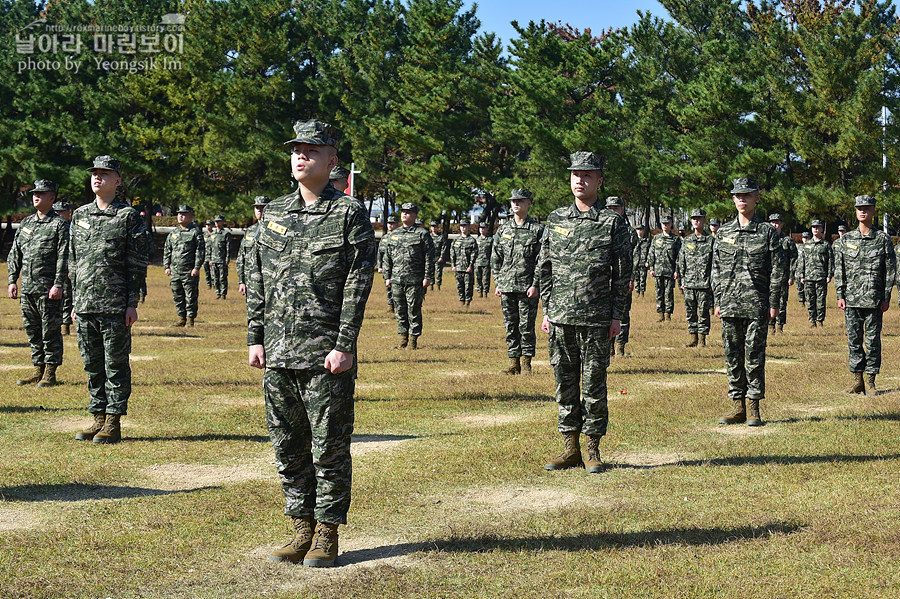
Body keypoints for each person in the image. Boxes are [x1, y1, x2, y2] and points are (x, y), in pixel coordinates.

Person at [246, 119, 375, 568]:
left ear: (331, 160)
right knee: (288, 443)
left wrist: (345, 344)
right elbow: (258, 279)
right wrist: (255, 338)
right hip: (279, 351)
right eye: (297, 149)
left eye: (312, 150)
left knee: (329, 446)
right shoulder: (276, 213)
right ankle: (300, 526)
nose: (301, 156)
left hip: (326, 354)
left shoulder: (348, 214)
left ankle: (327, 533)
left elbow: (358, 283)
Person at [539, 151, 631, 474]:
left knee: (593, 384)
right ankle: (570, 447)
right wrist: (548, 310)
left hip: (596, 320)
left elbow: (622, 274)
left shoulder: (612, 223)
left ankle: (592, 448)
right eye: (576, 174)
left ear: (599, 181)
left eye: (588, 175)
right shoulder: (555, 219)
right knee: (564, 384)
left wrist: (617, 316)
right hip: (561, 318)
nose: (581, 179)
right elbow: (545, 268)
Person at [70, 156, 148, 444]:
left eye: (105, 174)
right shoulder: (79, 215)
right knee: (92, 364)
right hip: (86, 304)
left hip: (115, 305)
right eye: (94, 173)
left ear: (118, 181)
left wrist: (132, 302)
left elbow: (137, 263)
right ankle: (98, 417)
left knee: (115, 364)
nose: (97, 178)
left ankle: (113, 421)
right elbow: (73, 261)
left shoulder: (127, 217)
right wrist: (74, 303)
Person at [713, 178, 783, 427]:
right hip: (730, 303)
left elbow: (777, 270)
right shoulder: (724, 232)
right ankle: (737, 405)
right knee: (732, 355)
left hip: (756, 304)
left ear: (757, 198)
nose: (741, 199)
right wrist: (718, 300)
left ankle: (754, 406)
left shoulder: (766, 232)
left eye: (747, 195)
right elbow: (717, 269)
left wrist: (774, 303)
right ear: (733, 199)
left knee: (754, 355)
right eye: (737, 195)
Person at [7, 179, 69, 387]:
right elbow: (15, 253)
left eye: (41, 194)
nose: (36, 196)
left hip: (48, 289)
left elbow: (63, 256)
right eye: (34, 193)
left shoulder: (59, 225)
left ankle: (50, 372)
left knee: (50, 330)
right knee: (32, 330)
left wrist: (58, 283)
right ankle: (38, 369)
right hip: (28, 289)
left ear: (52, 198)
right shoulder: (26, 224)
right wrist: (12, 280)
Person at [834, 195, 895, 395]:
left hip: (874, 300)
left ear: (874, 211)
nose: (862, 211)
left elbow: (890, 270)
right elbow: (840, 269)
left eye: (867, 208)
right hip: (851, 299)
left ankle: (871, 380)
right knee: (853, 340)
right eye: (859, 208)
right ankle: (857, 379)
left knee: (872, 341)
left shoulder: (883, 239)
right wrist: (840, 294)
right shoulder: (847, 239)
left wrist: (886, 296)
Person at [492, 188, 543, 375]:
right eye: (513, 201)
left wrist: (535, 284)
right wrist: (498, 281)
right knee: (510, 325)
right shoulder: (503, 230)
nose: (516, 204)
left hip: (526, 287)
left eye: (520, 201)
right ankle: (514, 363)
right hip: (506, 286)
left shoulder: (537, 230)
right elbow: (495, 257)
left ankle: (527, 364)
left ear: (528, 203)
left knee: (526, 326)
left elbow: (541, 260)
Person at [382, 203, 434, 350]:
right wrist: (387, 276)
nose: (405, 214)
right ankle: (402, 339)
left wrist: (428, 276)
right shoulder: (394, 234)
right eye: (403, 212)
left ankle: (413, 341)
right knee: (400, 309)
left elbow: (429, 257)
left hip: (415, 279)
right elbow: (387, 257)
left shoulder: (422, 234)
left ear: (415, 215)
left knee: (414, 309)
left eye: (409, 212)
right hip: (397, 279)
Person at [677, 208, 714, 347]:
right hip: (689, 283)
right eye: (694, 218)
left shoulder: (710, 240)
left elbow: (714, 263)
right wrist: (682, 281)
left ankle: (702, 340)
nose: (696, 221)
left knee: (704, 312)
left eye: (699, 218)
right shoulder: (687, 240)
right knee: (690, 312)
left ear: (704, 220)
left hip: (704, 284)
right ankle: (693, 338)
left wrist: (712, 282)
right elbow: (682, 262)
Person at [162, 205, 205, 327]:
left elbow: (200, 251)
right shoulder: (174, 232)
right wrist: (166, 266)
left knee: (190, 296)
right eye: (179, 214)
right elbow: (167, 250)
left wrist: (196, 267)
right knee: (177, 295)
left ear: (191, 217)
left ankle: (190, 319)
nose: (180, 216)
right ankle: (181, 318)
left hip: (189, 271)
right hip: (175, 271)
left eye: (184, 214)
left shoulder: (195, 232)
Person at [605, 197, 637, 357]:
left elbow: (633, 258)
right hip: (603, 281)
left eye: (616, 208)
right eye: (609, 208)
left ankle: (620, 347)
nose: (612, 211)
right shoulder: (600, 230)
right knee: (604, 313)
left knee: (622, 313)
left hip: (622, 280)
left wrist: (630, 279)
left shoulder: (629, 232)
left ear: (622, 210)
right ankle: (608, 347)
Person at [798, 219, 832, 327]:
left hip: (821, 276)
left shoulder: (826, 245)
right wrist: (801, 275)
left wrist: (829, 275)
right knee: (810, 299)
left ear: (822, 229)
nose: (815, 229)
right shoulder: (806, 245)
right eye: (813, 227)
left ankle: (820, 320)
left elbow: (830, 261)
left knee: (821, 300)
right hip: (808, 277)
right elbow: (802, 261)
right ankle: (812, 320)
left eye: (818, 227)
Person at [647, 214, 681, 321]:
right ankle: (660, 314)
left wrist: (677, 271)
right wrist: (651, 268)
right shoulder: (656, 238)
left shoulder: (676, 239)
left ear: (671, 224)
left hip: (670, 271)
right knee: (659, 293)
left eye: (667, 223)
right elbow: (651, 253)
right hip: (658, 270)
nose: (665, 225)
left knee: (668, 293)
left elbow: (679, 257)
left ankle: (668, 315)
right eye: (663, 224)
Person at [768, 214, 797, 333]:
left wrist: (791, 276)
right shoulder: (766, 240)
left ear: (781, 224)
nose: (775, 225)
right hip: (769, 277)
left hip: (783, 277)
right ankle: (770, 325)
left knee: (781, 301)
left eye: (777, 222)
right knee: (769, 301)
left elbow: (794, 259)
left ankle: (780, 326)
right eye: (773, 222)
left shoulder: (787, 240)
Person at [236, 196, 269, 299]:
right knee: (253, 314)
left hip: (270, 283)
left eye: (262, 207)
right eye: (257, 207)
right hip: (252, 282)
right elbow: (241, 257)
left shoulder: (275, 230)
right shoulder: (249, 231)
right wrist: (242, 281)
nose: (259, 210)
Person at [52, 199, 74, 335]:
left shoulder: (73, 228)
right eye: (56, 211)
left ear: (68, 213)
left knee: (67, 297)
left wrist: (71, 268)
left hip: (67, 267)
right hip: (53, 267)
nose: (59, 214)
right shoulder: (52, 227)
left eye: (62, 211)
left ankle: (65, 325)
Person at [377, 214, 400, 312]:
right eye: (389, 223)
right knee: (388, 286)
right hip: (386, 267)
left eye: (392, 223)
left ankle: (399, 306)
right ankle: (390, 306)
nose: (390, 225)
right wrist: (380, 266)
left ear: (397, 224)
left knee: (398, 288)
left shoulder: (400, 236)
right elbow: (380, 253)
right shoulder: (384, 238)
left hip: (397, 266)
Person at [451, 221, 478, 306]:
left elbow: (474, 254)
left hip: (467, 268)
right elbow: (452, 253)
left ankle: (468, 302)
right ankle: (461, 301)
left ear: (468, 227)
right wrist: (453, 265)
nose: (463, 228)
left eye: (465, 226)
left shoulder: (472, 240)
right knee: (459, 286)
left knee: (468, 286)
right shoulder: (456, 240)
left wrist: (470, 266)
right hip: (458, 267)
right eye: (461, 226)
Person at [208, 215, 231, 299]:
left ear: (222, 222)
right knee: (215, 277)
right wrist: (210, 259)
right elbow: (210, 247)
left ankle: (223, 294)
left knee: (222, 277)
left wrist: (227, 259)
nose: (216, 223)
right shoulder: (213, 234)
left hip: (222, 259)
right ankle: (217, 293)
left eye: (218, 221)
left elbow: (228, 247)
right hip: (214, 260)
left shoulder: (226, 234)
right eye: (215, 221)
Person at [474, 222, 493, 297]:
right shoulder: (476, 240)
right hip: (478, 262)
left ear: (487, 229)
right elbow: (474, 251)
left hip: (486, 262)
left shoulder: (490, 240)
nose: (482, 229)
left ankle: (485, 292)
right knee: (478, 278)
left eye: (484, 228)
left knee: (486, 278)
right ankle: (479, 292)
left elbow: (493, 252)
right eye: (481, 228)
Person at [633, 224, 651, 296]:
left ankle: (642, 293)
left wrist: (648, 261)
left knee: (643, 278)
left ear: (643, 230)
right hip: (635, 262)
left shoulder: (647, 241)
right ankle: (637, 292)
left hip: (643, 263)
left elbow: (650, 252)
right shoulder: (634, 240)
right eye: (638, 229)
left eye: (641, 229)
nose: (640, 231)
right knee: (636, 278)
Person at [429, 220, 445, 290]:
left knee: (438, 272)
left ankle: (438, 286)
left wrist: (441, 257)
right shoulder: (428, 236)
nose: (433, 228)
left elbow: (443, 248)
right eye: (432, 226)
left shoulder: (441, 236)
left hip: (438, 256)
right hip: (430, 257)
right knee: (431, 271)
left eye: (435, 226)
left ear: (437, 227)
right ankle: (431, 285)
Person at [796, 231, 811, 304]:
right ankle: (801, 302)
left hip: (808, 271)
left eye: (807, 237)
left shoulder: (811, 248)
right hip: (799, 270)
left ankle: (809, 301)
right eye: (804, 238)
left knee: (808, 288)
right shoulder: (798, 247)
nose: (805, 239)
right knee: (799, 288)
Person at [203, 220, 214, 289]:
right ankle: (208, 284)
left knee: (213, 272)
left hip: (212, 256)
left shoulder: (215, 234)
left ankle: (214, 284)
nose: (208, 226)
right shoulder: (204, 235)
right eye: (207, 225)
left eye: (209, 225)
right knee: (206, 272)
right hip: (205, 257)